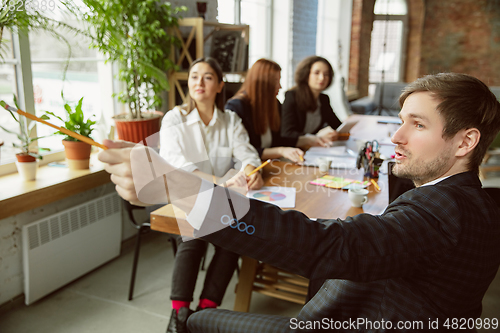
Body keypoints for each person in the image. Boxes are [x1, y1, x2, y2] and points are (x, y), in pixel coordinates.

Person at [99, 72, 500, 332]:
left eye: (418, 124)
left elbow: (327, 246)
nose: (396, 137)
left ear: (466, 141)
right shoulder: (469, 201)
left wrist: (178, 186)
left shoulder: (444, 213)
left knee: (196, 322)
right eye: (402, 120)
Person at [158, 57, 264, 333]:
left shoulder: (230, 120)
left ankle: (206, 311)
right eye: (194, 76)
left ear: (219, 85)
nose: (199, 82)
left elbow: (246, 152)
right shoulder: (174, 118)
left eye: (207, 77)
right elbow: (178, 167)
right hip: (184, 195)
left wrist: (252, 170)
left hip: (219, 198)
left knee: (235, 236)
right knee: (194, 234)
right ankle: (179, 318)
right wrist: (219, 181)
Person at [226, 58, 330, 164]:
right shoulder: (236, 107)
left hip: (270, 165)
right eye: (275, 81)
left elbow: (281, 139)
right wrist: (281, 151)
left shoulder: (274, 104)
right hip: (247, 170)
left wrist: (308, 140)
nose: (280, 86)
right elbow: (243, 151)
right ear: (262, 82)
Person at [281, 56, 342, 145]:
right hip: (295, 150)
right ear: (306, 75)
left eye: (326, 74)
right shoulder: (292, 96)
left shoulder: (323, 99)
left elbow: (337, 125)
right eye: (316, 73)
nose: (322, 78)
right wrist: (316, 137)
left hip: (314, 149)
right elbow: (287, 134)